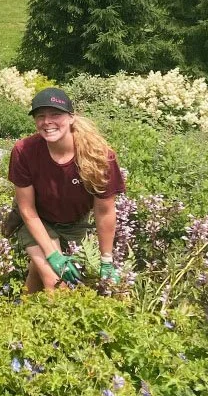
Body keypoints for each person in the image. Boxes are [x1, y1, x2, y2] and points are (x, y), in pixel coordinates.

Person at [7, 87, 124, 293]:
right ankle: (49, 324)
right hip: (37, 221)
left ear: (71, 117)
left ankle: (22, 310)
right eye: (40, 116)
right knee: (55, 280)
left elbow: (104, 210)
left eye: (55, 114)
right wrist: (53, 255)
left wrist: (106, 259)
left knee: (41, 270)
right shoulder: (24, 151)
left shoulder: (99, 157)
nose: (47, 122)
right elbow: (27, 210)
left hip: (74, 224)